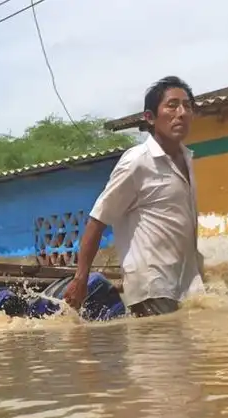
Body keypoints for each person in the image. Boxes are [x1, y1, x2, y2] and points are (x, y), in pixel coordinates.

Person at [64, 76, 205, 317]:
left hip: (184, 286)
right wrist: (80, 278)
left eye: (187, 106)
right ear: (150, 117)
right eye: (172, 105)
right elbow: (98, 220)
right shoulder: (137, 162)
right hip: (152, 287)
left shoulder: (187, 159)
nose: (181, 113)